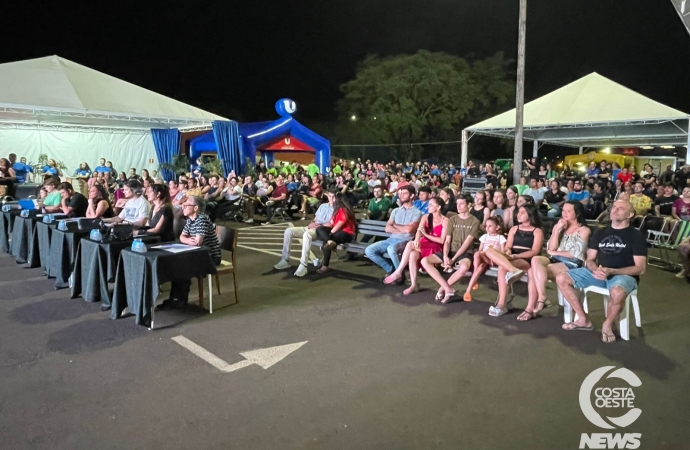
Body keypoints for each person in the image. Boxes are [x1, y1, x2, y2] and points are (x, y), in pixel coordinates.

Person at [557, 200, 647, 343]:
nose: (615, 210)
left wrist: (612, 271)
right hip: (600, 272)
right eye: (614, 207)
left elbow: (640, 268)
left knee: (617, 292)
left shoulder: (636, 236)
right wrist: (595, 269)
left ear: (630, 215)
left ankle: (608, 324)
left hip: (623, 275)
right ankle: (583, 319)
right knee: (562, 278)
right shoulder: (601, 232)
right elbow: (590, 259)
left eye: (620, 208)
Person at [520, 201, 590, 321]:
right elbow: (551, 248)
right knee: (536, 259)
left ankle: (531, 307)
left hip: (572, 263)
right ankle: (542, 297)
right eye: (563, 210)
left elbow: (575, 253)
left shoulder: (584, 230)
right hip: (555, 260)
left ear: (577, 213)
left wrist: (554, 253)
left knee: (532, 271)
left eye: (569, 211)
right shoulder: (562, 227)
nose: (564, 213)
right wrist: (557, 229)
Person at [158, 196, 221, 310]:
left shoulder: (202, 219)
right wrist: (187, 240)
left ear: (196, 208)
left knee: (183, 267)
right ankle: (175, 299)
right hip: (197, 254)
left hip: (211, 257)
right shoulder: (190, 220)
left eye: (187, 204)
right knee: (176, 265)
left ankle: (181, 300)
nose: (183, 206)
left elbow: (197, 242)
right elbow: (182, 237)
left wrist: (188, 240)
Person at [483, 204, 544, 317]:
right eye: (518, 212)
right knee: (488, 250)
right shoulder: (514, 228)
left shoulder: (537, 231)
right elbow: (508, 246)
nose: (518, 215)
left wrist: (517, 256)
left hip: (527, 258)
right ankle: (512, 269)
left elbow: (535, 251)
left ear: (530, 215)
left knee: (502, 268)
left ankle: (501, 305)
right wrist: (508, 252)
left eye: (522, 213)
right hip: (512, 256)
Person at [421, 194, 481, 303]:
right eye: (457, 204)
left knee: (464, 267)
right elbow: (447, 241)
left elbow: (466, 244)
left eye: (462, 204)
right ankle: (448, 288)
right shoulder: (452, 219)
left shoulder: (475, 222)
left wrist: (453, 260)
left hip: (464, 252)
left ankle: (442, 288)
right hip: (450, 251)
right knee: (425, 261)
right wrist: (445, 256)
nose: (458, 206)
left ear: (469, 205)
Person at [384, 197, 448, 295]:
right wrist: (417, 239)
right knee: (413, 254)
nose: (428, 206)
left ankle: (398, 272)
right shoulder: (425, 217)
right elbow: (419, 230)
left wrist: (425, 235)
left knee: (410, 244)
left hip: (436, 246)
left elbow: (441, 240)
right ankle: (413, 285)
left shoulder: (445, 220)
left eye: (431, 204)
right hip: (424, 243)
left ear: (438, 207)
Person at [274, 188, 336, 277]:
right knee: (288, 231)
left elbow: (331, 223)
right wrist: (312, 224)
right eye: (330, 196)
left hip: (321, 231)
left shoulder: (337, 209)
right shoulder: (323, 206)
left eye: (333, 197)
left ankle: (303, 265)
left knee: (307, 234)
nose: (331, 198)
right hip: (313, 227)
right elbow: (315, 219)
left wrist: (317, 226)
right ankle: (285, 260)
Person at [364, 185, 422, 279]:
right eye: (400, 194)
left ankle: (399, 274)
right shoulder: (395, 211)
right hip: (391, 239)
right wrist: (401, 229)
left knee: (391, 249)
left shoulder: (416, 212)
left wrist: (394, 225)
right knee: (369, 250)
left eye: (404, 193)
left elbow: (409, 230)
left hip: (406, 241)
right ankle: (392, 270)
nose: (401, 196)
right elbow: (387, 228)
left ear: (412, 196)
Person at [463, 216, 506, 302]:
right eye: (486, 226)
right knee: (480, 265)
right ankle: (468, 290)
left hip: (494, 259)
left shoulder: (500, 238)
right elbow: (480, 249)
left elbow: (503, 252)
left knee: (478, 254)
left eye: (490, 226)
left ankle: (473, 277)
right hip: (484, 259)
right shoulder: (485, 236)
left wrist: (487, 252)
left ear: (497, 227)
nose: (487, 228)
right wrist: (482, 253)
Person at [314, 193, 356, 274]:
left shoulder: (343, 209)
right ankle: (330, 242)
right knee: (320, 229)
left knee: (326, 242)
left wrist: (329, 234)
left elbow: (340, 223)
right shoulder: (337, 209)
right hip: (338, 231)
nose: (332, 200)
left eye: (334, 198)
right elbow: (332, 222)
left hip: (347, 233)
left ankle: (325, 266)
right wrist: (320, 225)